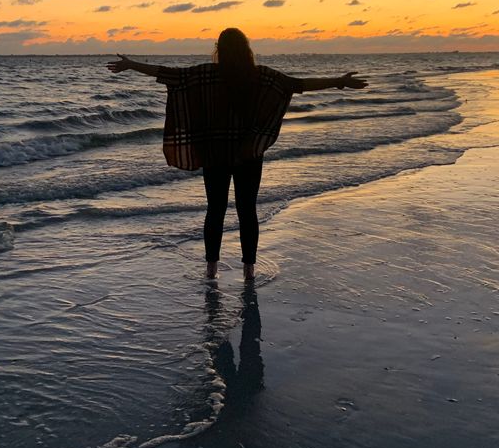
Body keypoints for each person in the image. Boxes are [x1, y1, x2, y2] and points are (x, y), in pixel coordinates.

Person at [106, 28, 367, 281]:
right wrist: (339, 82)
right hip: (248, 153)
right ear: (246, 49)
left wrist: (131, 65)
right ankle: (249, 271)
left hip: (215, 153)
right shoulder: (261, 77)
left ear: (219, 49)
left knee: (215, 210)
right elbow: (299, 85)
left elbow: (167, 74)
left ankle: (211, 269)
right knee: (247, 211)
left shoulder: (204, 74)